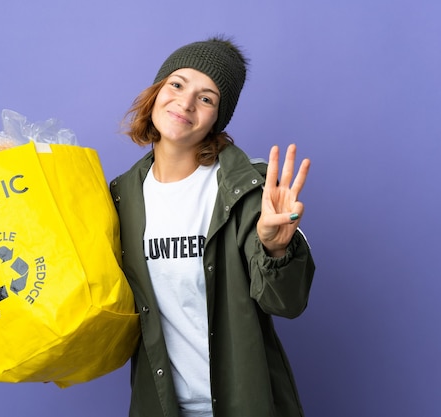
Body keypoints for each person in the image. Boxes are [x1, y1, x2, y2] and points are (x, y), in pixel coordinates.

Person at [109, 36, 315, 417]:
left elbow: (286, 303)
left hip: (247, 403)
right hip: (161, 405)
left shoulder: (250, 190)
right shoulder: (122, 197)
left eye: (206, 98)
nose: (185, 103)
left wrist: (276, 249)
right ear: (157, 91)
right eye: (177, 84)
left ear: (217, 118)